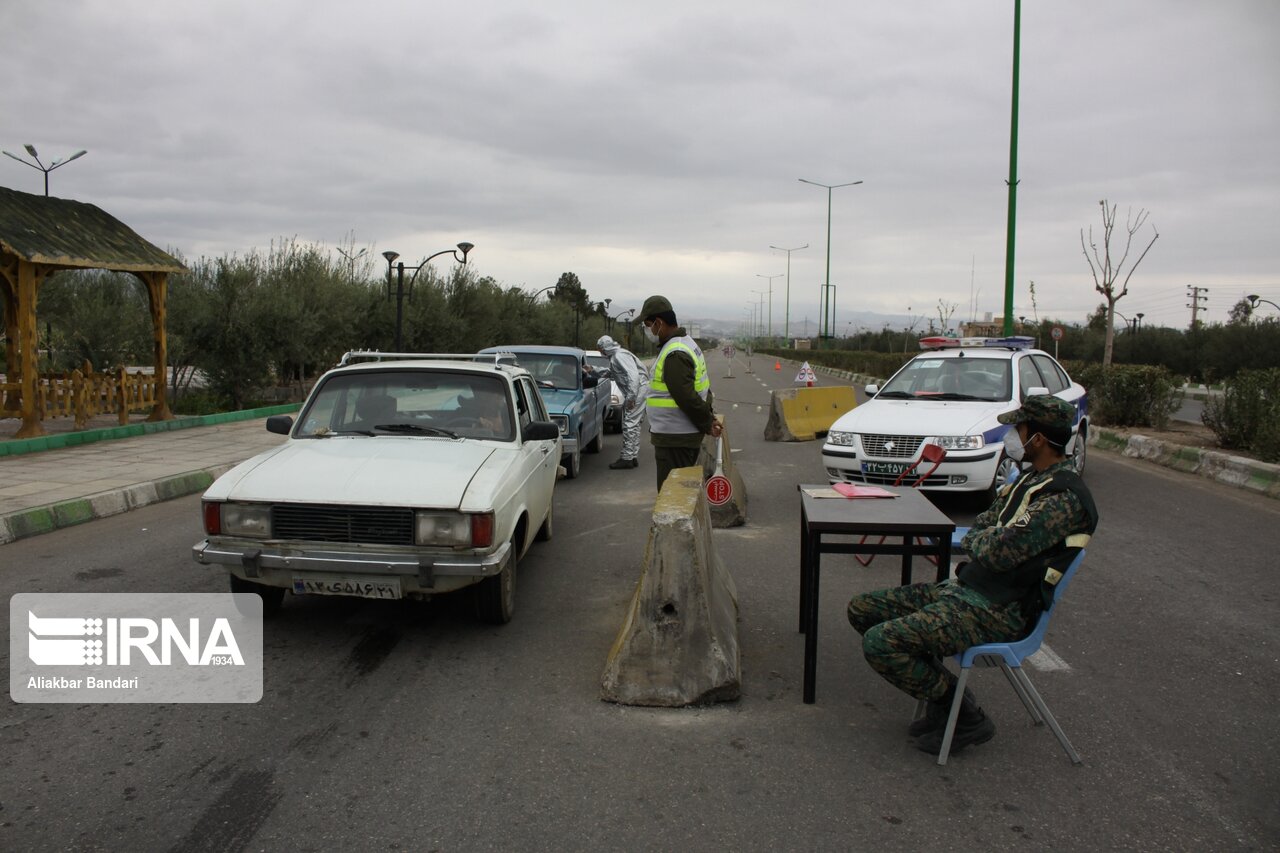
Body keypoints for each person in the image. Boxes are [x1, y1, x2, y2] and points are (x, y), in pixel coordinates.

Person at [846, 395, 1099, 757]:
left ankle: (960, 709)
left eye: (1020, 428)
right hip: (968, 590)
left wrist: (986, 540)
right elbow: (984, 524)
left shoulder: (1064, 498)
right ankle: (941, 698)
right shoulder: (1032, 479)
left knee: (880, 642)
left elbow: (997, 551)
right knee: (863, 609)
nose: (1014, 435)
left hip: (999, 609)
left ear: (1039, 439)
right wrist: (988, 539)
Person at [639, 294, 723, 490]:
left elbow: (686, 397)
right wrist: (707, 418)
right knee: (682, 492)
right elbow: (702, 390)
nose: (647, 330)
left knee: (673, 495)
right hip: (679, 434)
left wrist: (707, 422)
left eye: (648, 324)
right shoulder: (685, 343)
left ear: (659, 322)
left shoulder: (674, 352)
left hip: (676, 438)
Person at [596, 334, 650, 470]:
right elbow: (613, 373)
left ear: (604, 347)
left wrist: (631, 397)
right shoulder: (616, 357)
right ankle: (631, 457)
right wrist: (593, 371)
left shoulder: (620, 356)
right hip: (639, 391)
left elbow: (633, 376)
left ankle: (627, 458)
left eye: (600, 348)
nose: (600, 351)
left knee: (629, 424)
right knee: (634, 425)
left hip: (637, 391)